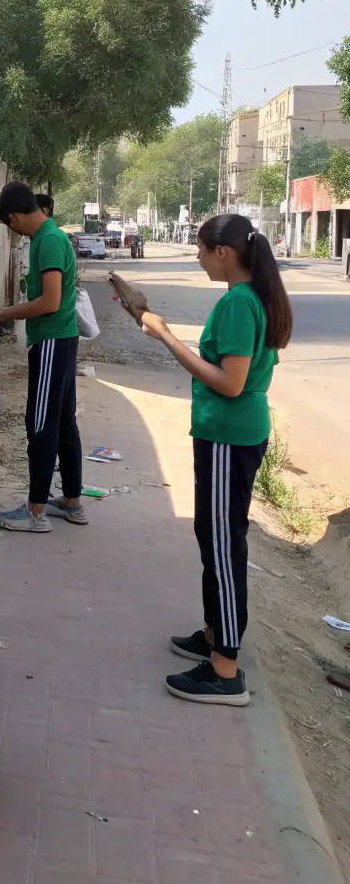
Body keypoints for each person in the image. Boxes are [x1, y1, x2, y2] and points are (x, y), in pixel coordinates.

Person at [139, 214, 293, 705]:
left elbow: (230, 382)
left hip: (230, 436)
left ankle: (226, 669)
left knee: (224, 546)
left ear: (223, 252)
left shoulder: (238, 304)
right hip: (226, 435)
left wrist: (166, 336)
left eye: (201, 250)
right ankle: (213, 633)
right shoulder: (248, 300)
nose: (199, 258)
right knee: (212, 533)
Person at [0, 181, 85, 531]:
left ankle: (35, 511)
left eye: (8, 225)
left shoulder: (47, 241)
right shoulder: (52, 237)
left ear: (14, 217)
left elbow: (50, 302)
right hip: (63, 339)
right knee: (62, 423)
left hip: (52, 342)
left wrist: (5, 313)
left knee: (41, 424)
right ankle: (72, 501)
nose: (11, 232)